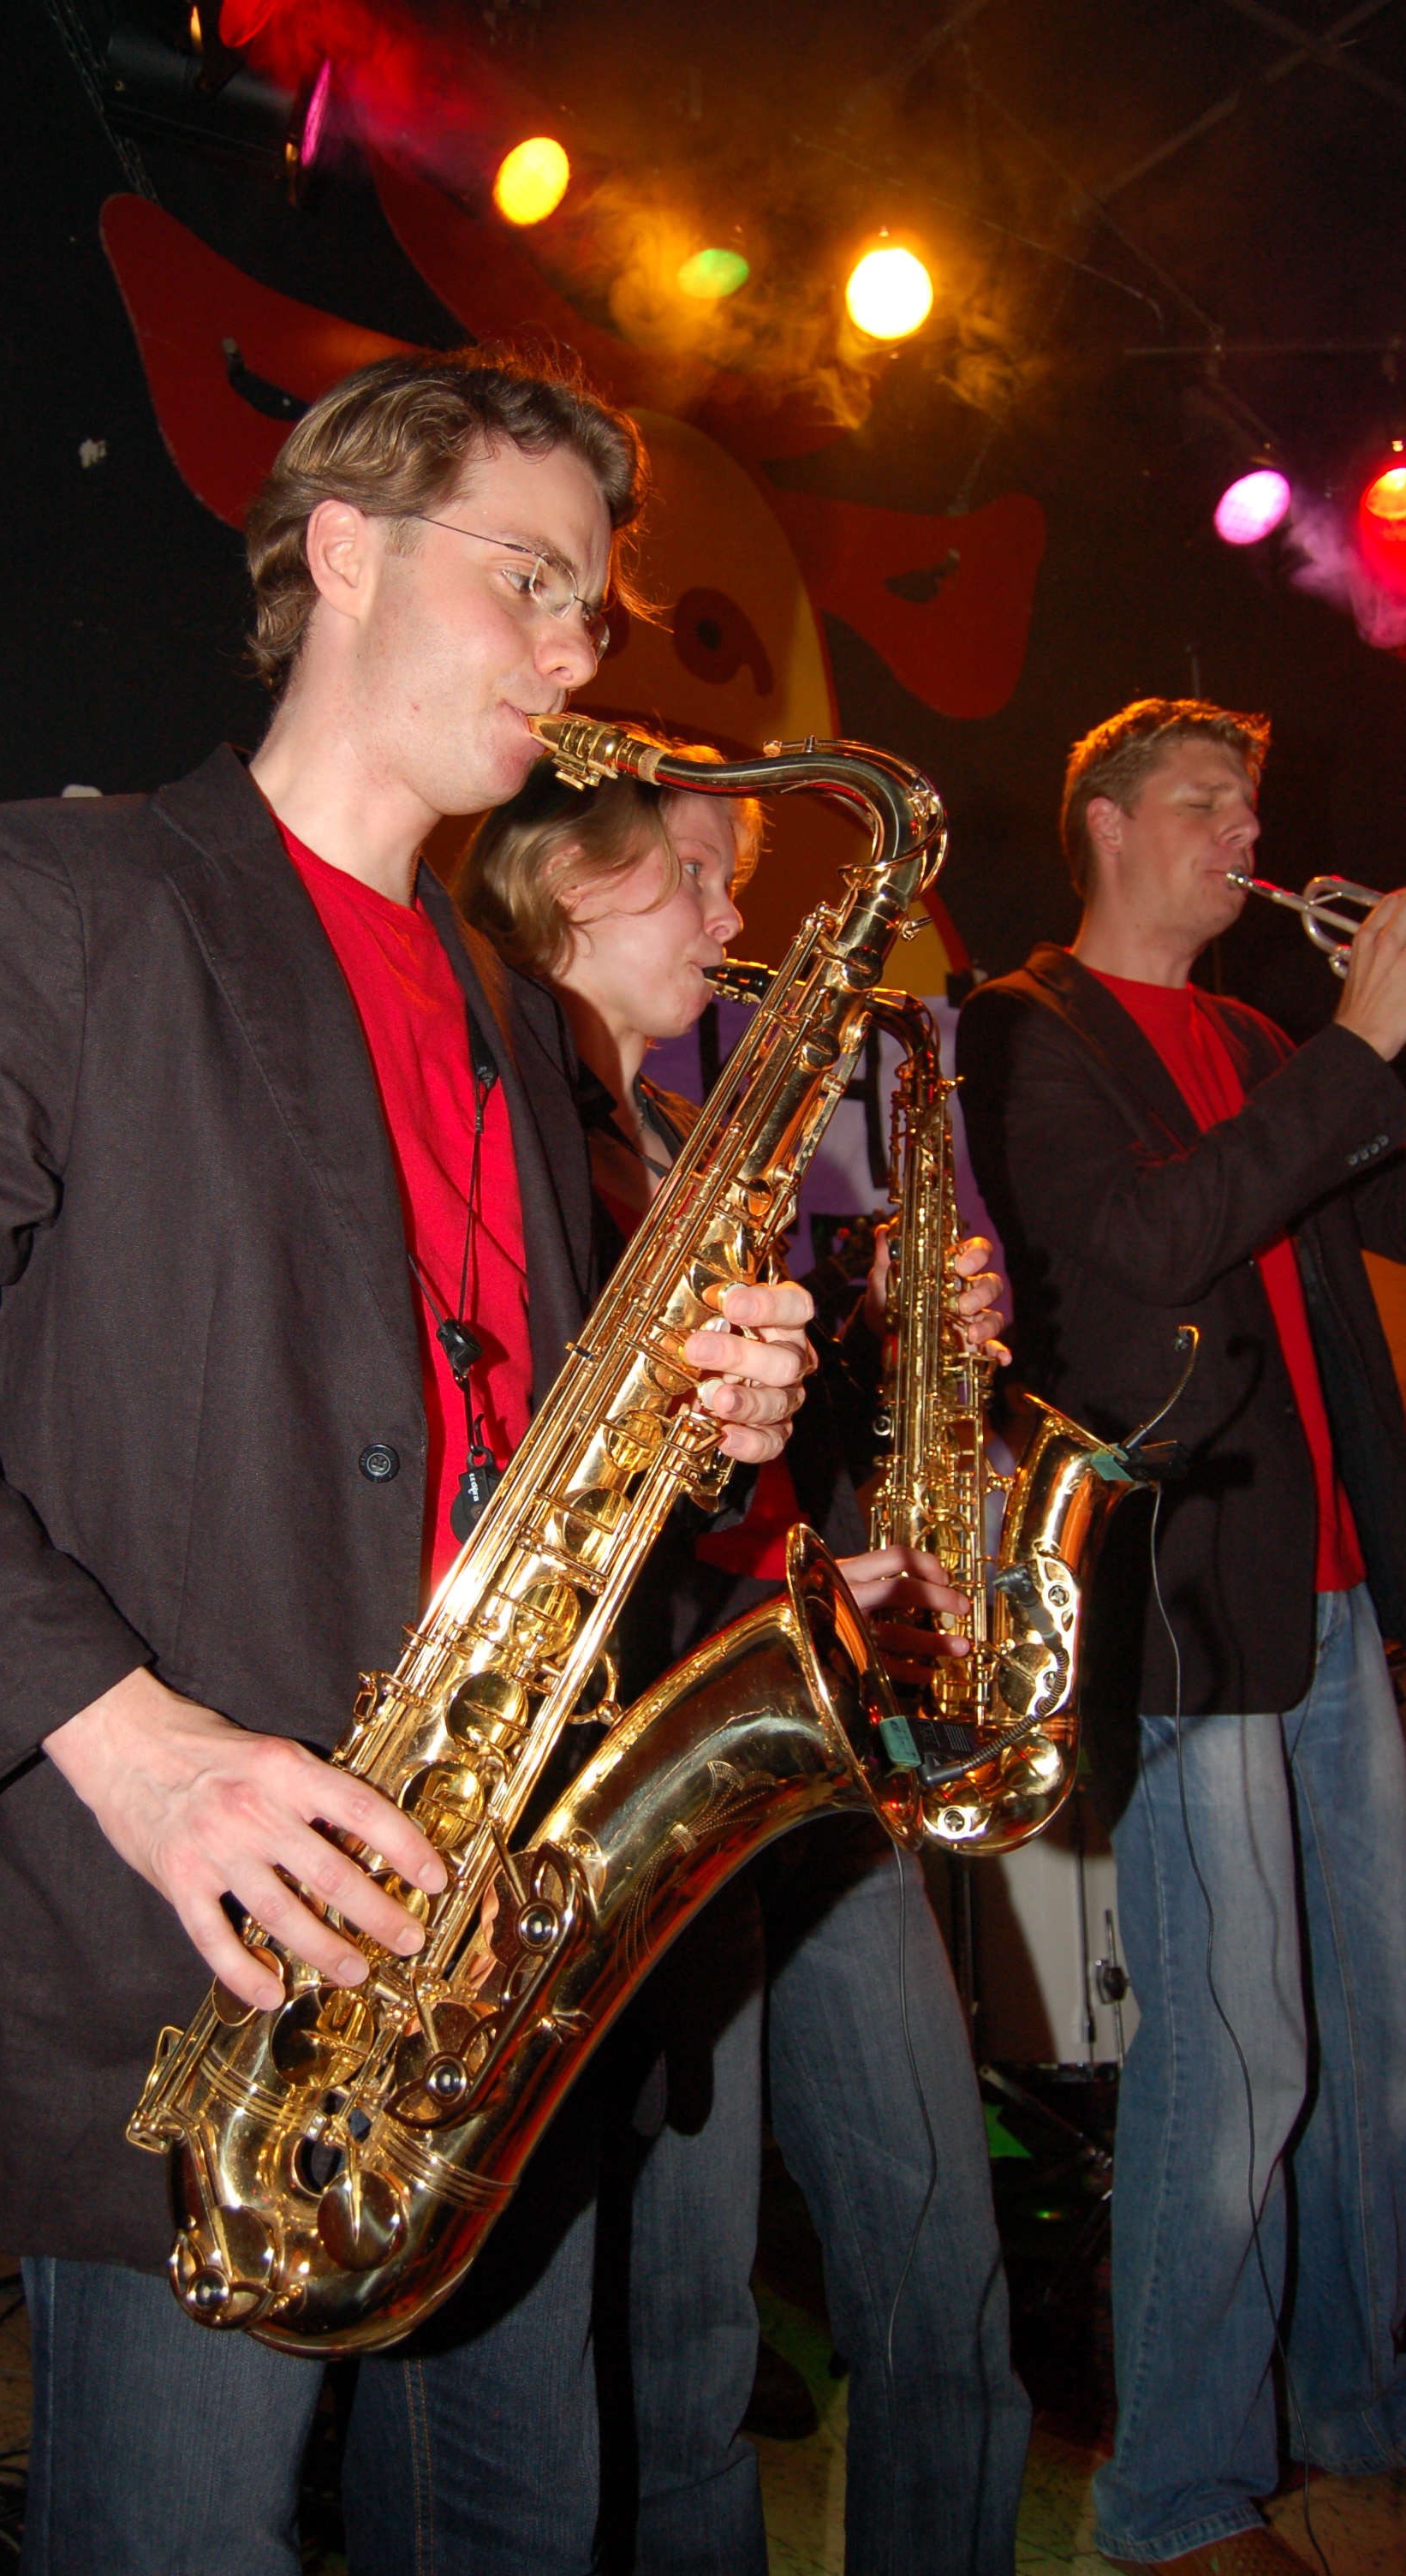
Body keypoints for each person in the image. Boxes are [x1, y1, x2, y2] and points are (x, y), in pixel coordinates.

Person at [0, 352, 819, 2576]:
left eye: (592, 607)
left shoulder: (507, 1010)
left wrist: (694, 1431)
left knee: (523, 2528)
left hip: (486, 1953)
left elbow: (495, 1446)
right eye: (534, 580)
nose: (577, 652)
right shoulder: (74, 894)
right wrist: (132, 1750)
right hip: (198, 1950)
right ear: (344, 550)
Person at [458, 753, 1032, 2576]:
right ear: (563, 882)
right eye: (697, 873)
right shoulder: (498, 1131)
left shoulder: (695, 1139)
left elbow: (745, 1455)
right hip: (660, 1757)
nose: (732, 920)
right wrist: (788, 1589)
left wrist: (892, 1330)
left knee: (937, 2245)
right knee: (684, 2331)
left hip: (801, 1730)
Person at [956, 698, 1406, 2576]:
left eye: (1251, 803)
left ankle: (1361, 2424)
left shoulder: (1256, 1040)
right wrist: (1359, 1047)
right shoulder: (1023, 1028)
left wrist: (1377, 1057)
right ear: (1109, 823)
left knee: (1379, 2040)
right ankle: (1175, 2495)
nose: (1245, 832)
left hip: (1331, 1588)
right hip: (1186, 1596)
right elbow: (1145, 1247)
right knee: (1237, 2061)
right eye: (1208, 799)